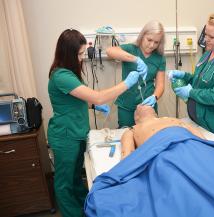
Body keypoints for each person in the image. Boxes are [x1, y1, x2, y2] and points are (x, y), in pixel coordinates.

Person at [47, 29, 145, 217]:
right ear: (67, 53)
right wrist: (126, 83)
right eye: (79, 53)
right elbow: (99, 97)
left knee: (76, 178)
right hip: (65, 136)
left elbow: (77, 98)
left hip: (75, 133)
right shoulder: (61, 76)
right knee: (65, 183)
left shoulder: (69, 73)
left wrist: (92, 106)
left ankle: (85, 208)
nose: (82, 57)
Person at [106, 20, 166, 128]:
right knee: (127, 135)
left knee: (148, 135)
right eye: (149, 40)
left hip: (147, 107)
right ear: (142, 35)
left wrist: (155, 97)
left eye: (156, 42)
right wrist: (135, 59)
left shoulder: (160, 58)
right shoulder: (130, 49)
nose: (152, 45)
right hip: (126, 105)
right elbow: (110, 51)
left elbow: (160, 85)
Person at [121, 105, 205, 159]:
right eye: (139, 106)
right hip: (163, 153)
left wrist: (208, 146)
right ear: (136, 118)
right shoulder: (132, 129)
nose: (144, 103)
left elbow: (193, 130)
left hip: (189, 144)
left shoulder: (172, 119)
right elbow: (127, 155)